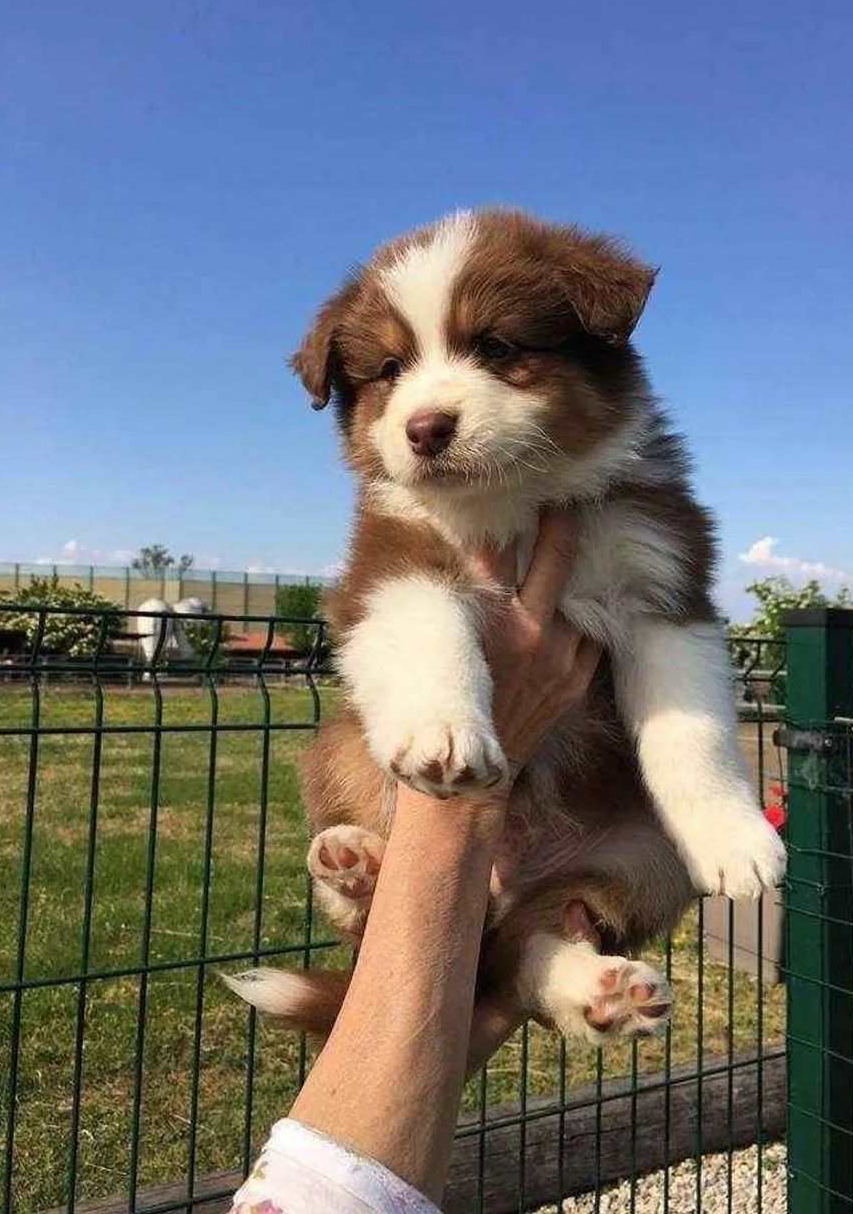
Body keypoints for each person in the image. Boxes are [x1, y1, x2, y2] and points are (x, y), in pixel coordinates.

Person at [230, 513, 600, 1213]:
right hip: (481, 801)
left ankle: (522, 958)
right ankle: (523, 958)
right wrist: (464, 791)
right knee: (345, 748)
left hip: (558, 827)